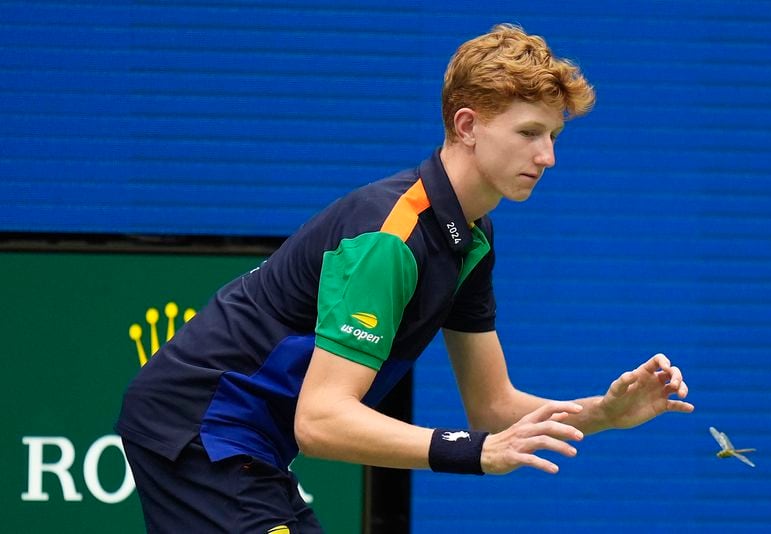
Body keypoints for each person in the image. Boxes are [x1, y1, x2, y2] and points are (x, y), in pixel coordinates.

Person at [116, 23, 694, 533]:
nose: (548, 157)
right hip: (197, 430)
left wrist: (606, 415)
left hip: (251, 444)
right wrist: (476, 453)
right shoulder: (388, 237)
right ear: (466, 125)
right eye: (528, 133)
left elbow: (493, 408)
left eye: (553, 137)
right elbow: (321, 421)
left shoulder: (472, 238)